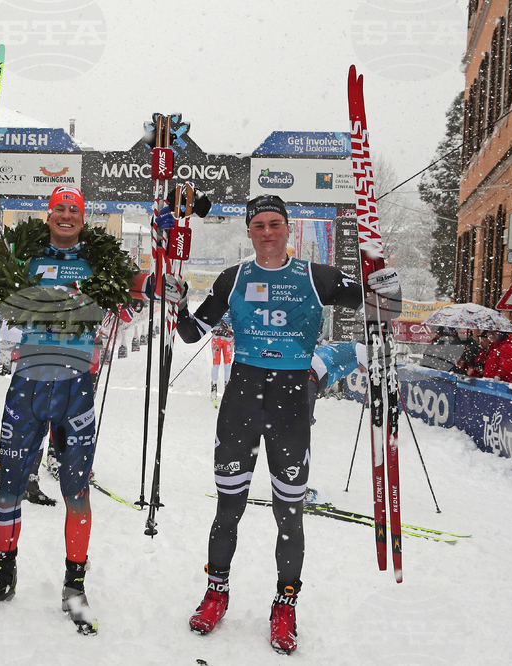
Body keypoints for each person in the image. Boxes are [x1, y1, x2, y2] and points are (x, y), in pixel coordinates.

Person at [170, 194, 401, 654]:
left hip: (290, 406)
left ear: (288, 228)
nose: (268, 232)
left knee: (289, 513)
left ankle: (285, 604)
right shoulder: (233, 278)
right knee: (228, 508)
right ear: (249, 232)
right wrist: (177, 304)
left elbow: (381, 306)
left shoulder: (317, 276)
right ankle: (216, 593)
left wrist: (386, 283)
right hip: (241, 403)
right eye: (259, 225)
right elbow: (193, 332)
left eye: (275, 223)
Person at [0, 185, 148, 635]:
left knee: (76, 491)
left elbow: (135, 288)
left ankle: (75, 588)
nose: (67, 215)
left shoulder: (98, 260)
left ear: (83, 218)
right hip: (27, 383)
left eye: (74, 210)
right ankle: (3, 575)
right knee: (10, 486)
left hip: (75, 386)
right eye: (59, 208)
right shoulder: (26, 255)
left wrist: (160, 281)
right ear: (48, 215)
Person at [309, 341, 367, 424]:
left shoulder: (349, 359)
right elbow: (372, 356)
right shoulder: (357, 351)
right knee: (303, 421)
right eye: (366, 370)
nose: (363, 372)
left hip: (308, 370)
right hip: (310, 375)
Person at [209, 314, 233, 406]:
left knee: (227, 365)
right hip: (218, 338)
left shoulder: (231, 307)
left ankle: (227, 389)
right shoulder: (216, 307)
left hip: (227, 338)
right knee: (217, 364)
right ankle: (214, 388)